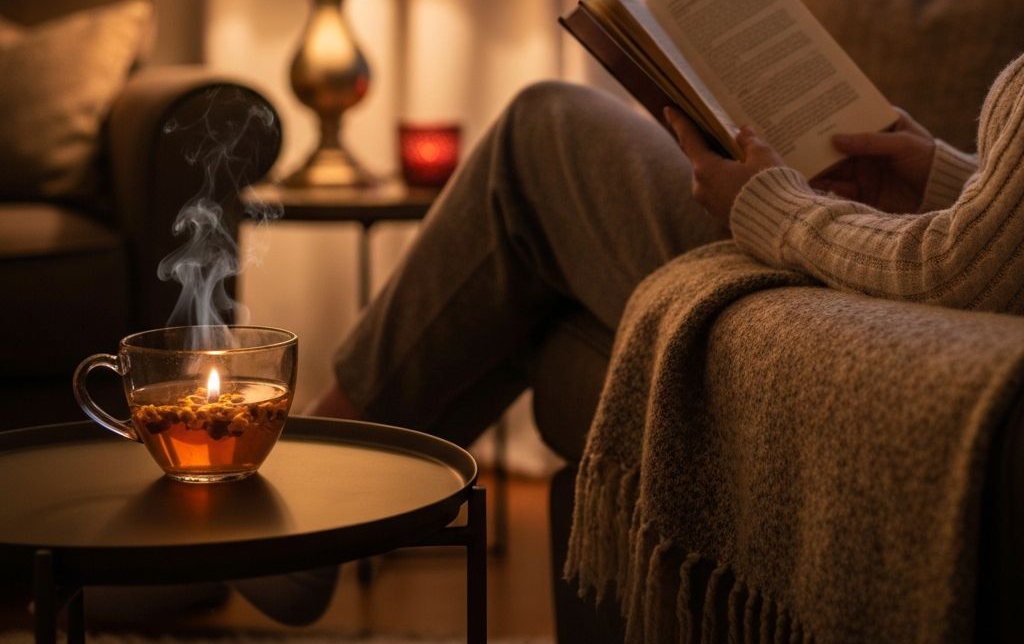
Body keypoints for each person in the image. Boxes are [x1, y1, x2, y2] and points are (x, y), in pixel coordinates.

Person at [243, 51, 1024, 623]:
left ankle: (308, 497)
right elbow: (1003, 251)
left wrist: (774, 207)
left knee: (542, 132)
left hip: (930, 299)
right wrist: (947, 181)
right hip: (953, 275)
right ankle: (317, 508)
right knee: (556, 283)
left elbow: (966, 274)